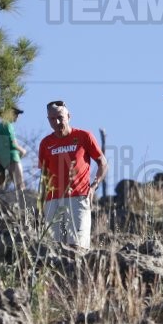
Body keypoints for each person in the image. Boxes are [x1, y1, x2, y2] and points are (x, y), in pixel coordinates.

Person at [38, 100, 108, 249]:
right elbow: (44, 176)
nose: (57, 122)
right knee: (54, 249)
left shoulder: (84, 136)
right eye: (52, 119)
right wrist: (41, 205)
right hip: (53, 201)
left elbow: (103, 163)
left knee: (77, 247)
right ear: (48, 120)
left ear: (68, 116)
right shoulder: (45, 143)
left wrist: (94, 186)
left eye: (60, 117)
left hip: (78, 197)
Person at [0, 106, 27, 193]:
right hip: (12, 157)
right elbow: (12, 143)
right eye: (15, 113)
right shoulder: (7, 125)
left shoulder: (0, 126)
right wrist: (22, 151)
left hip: (1, 159)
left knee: (1, 186)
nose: (17, 116)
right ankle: (23, 203)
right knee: (20, 183)